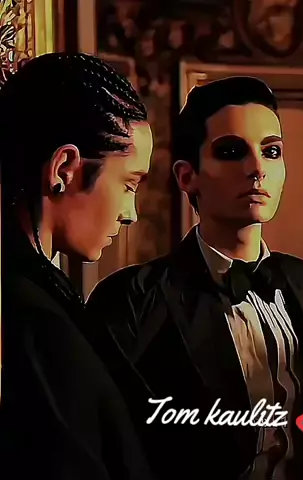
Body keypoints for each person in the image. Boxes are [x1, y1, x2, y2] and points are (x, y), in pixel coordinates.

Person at [85, 76, 303, 480]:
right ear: (187, 177)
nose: (257, 169)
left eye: (271, 151)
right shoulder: (134, 299)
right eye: (231, 151)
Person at [0, 53, 155, 480]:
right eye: (129, 184)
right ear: (65, 169)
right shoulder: (33, 321)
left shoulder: (40, 300)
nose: (131, 214)